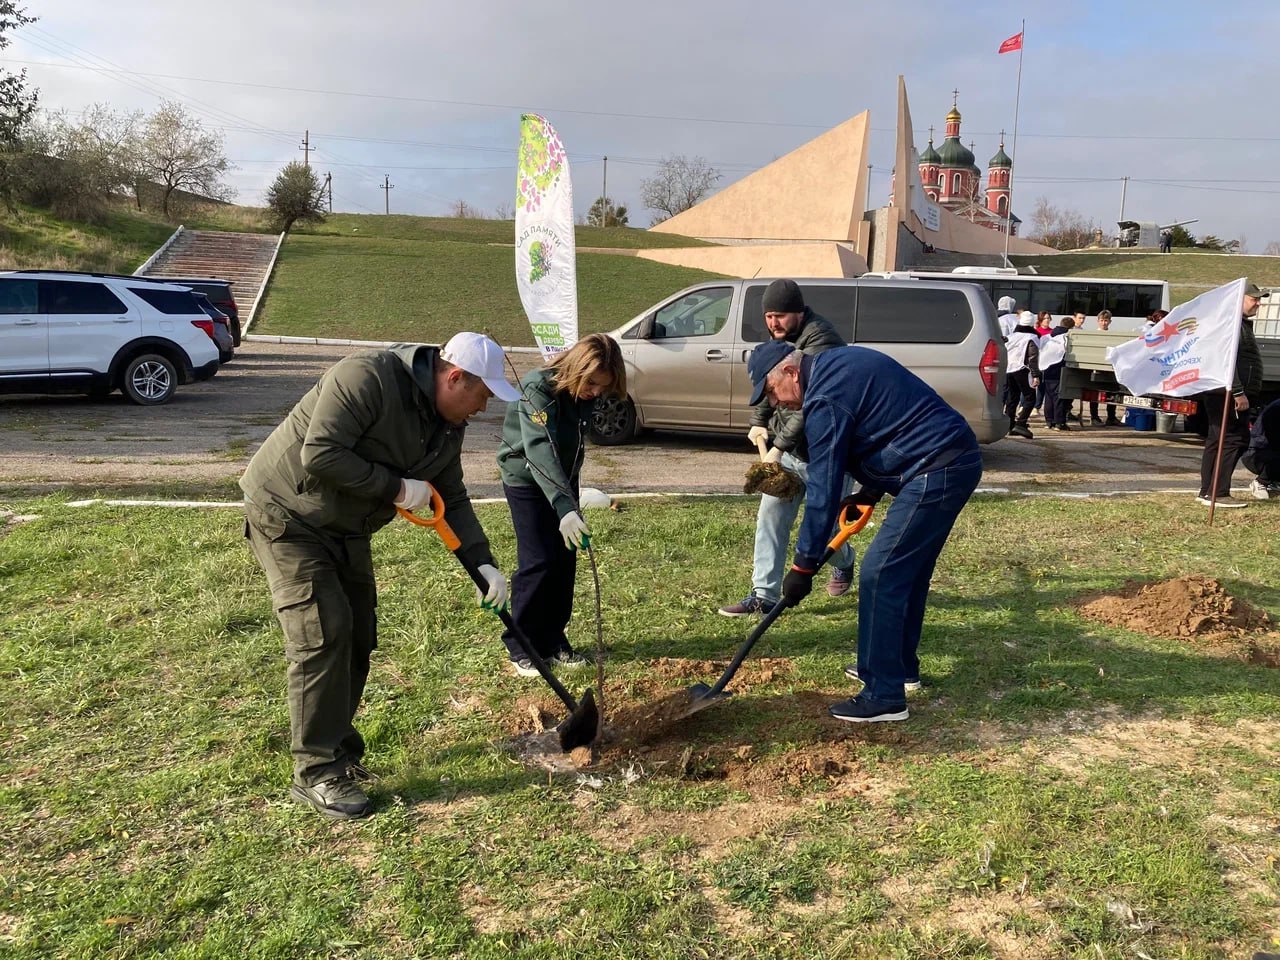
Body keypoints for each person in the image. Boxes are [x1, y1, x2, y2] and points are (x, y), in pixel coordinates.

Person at [241, 332, 520, 820]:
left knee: (359, 632)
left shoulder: (445, 425)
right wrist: (394, 487)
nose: (484, 409)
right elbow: (320, 453)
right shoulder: (366, 376)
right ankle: (316, 770)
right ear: (455, 377)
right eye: (483, 396)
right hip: (289, 514)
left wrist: (484, 562)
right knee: (323, 631)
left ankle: (336, 749)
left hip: (346, 526)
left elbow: (450, 498)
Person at [746, 339, 983, 723]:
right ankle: (897, 667)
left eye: (772, 391)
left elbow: (823, 487)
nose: (776, 402)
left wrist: (803, 568)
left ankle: (883, 694)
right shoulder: (836, 366)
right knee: (908, 572)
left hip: (937, 467)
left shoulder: (825, 398)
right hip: (948, 459)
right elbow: (889, 424)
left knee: (880, 572)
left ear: (790, 372)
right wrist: (871, 489)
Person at [719, 279, 855, 617]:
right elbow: (771, 381)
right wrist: (758, 421)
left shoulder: (821, 341)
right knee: (771, 516)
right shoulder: (782, 338)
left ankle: (845, 559)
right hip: (795, 454)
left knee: (825, 529)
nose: (773, 324)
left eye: (779, 316)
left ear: (798, 312)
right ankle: (763, 595)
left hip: (831, 453)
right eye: (768, 316)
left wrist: (777, 448)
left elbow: (808, 403)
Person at [496, 334, 627, 676]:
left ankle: (553, 639)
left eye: (603, 387)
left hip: (562, 482)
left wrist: (569, 500)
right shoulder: (537, 389)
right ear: (578, 368)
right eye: (593, 383)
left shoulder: (583, 396)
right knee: (538, 560)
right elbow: (540, 449)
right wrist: (564, 507)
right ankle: (521, 644)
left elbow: (569, 450)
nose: (596, 393)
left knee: (564, 560)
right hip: (526, 480)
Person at [1196, 282, 1267, 508]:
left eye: (1259, 299)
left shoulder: (1239, 324)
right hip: (1226, 393)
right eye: (1254, 298)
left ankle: (1207, 491)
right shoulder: (1231, 325)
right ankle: (1219, 492)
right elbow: (1225, 360)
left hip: (1223, 392)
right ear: (1238, 299)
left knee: (1217, 441)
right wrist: (1238, 392)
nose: (1259, 303)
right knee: (1234, 440)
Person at [1004, 311, 1041, 439]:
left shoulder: (1012, 335)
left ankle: (1009, 425)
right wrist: (1036, 375)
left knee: (1012, 398)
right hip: (1023, 369)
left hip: (1009, 369)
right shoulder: (1032, 338)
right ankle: (1021, 423)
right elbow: (1033, 358)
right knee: (1030, 397)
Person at [1039, 316, 1074, 431]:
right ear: (1071, 327)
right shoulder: (1066, 337)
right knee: (1059, 397)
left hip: (1046, 369)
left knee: (1048, 397)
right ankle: (1059, 422)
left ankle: (1049, 421)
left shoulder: (1047, 336)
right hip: (1059, 370)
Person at [1243, 397, 1280, 500]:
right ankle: (1261, 481)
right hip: (1257, 454)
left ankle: (1274, 481)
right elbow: (1272, 437)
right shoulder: (1277, 408)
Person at [1089, 310, 1121, 426]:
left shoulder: (1112, 336)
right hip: (1096, 369)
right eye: (1102, 321)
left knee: (1112, 393)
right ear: (1098, 321)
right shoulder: (1094, 335)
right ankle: (1094, 417)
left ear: (1110, 322)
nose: (1104, 323)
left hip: (1109, 370)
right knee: (1095, 394)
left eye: (1106, 321)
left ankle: (1111, 417)